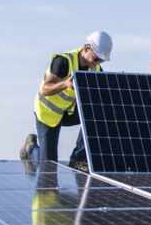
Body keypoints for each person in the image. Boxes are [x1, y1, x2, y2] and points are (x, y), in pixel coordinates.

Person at [20, 30, 112, 172]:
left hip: (68, 112)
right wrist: (65, 84)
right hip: (48, 114)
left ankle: (78, 158)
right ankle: (30, 148)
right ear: (86, 49)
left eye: (102, 60)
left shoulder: (96, 69)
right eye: (96, 59)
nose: (98, 63)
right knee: (48, 165)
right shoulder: (63, 61)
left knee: (97, 111)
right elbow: (46, 89)